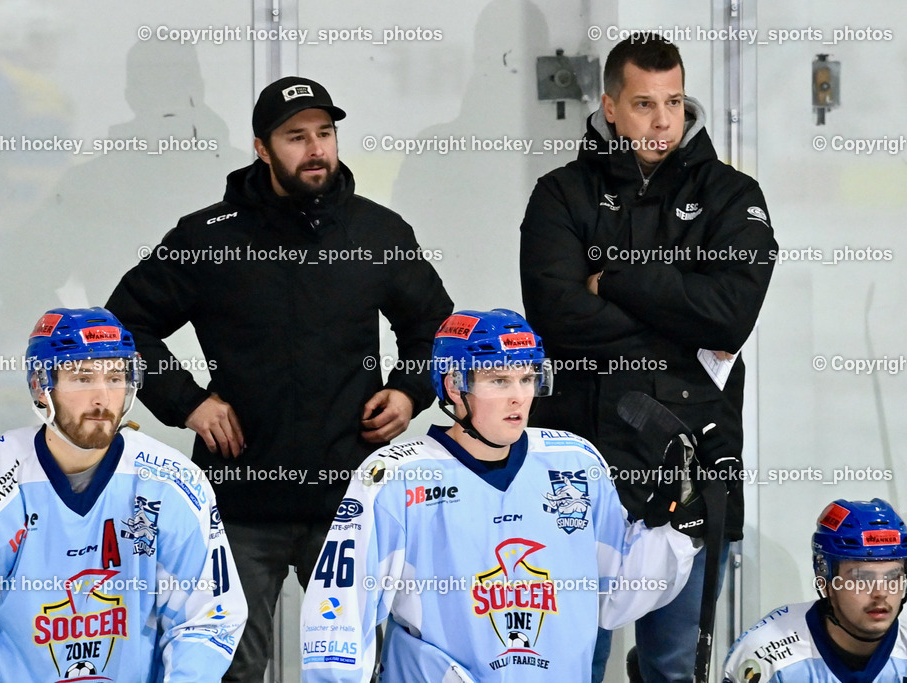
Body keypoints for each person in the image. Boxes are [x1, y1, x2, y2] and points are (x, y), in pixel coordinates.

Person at [105, 76, 453, 681]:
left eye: (325, 133)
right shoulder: (208, 238)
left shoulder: (377, 233)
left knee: (354, 671)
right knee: (227, 671)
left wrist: (408, 390)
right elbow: (121, 329)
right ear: (262, 148)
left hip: (348, 498)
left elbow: (437, 328)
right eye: (296, 137)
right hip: (240, 500)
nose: (316, 148)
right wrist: (188, 404)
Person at [519, 33, 778, 682]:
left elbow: (731, 316)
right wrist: (678, 319)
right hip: (576, 470)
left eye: (674, 102)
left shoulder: (731, 195)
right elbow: (557, 318)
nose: (663, 121)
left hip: (691, 469)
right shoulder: (560, 196)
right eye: (643, 104)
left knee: (673, 666)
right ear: (610, 107)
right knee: (569, 662)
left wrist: (617, 278)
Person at [301, 309, 704, 682]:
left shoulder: (575, 462)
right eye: (498, 380)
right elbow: (339, 615)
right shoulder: (394, 476)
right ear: (454, 386)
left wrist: (678, 532)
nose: (518, 397)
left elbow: (616, 594)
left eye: (527, 378)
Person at [0, 307, 246, 681]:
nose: (102, 398)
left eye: (115, 377)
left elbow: (207, 619)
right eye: (82, 378)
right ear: (40, 386)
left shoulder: (172, 485)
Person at [723, 498, 907, 681]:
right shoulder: (766, 657)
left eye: (893, 577)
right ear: (824, 581)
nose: (881, 593)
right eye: (861, 578)